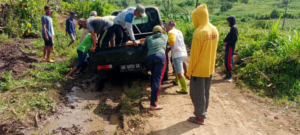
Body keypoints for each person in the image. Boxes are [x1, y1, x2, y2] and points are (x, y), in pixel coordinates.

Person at [186, 4, 219, 125]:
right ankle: (203, 111)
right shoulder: (214, 29)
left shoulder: (199, 32)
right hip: (209, 68)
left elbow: (194, 56)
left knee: (197, 93)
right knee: (205, 92)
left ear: (198, 17)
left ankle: (200, 117)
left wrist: (189, 72)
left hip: (199, 70)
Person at [134, 26, 168, 110]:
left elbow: (143, 46)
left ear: (153, 32)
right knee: (158, 79)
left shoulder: (148, 38)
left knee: (153, 76)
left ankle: (153, 94)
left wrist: (142, 43)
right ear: (162, 32)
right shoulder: (165, 36)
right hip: (160, 56)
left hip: (150, 57)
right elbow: (169, 42)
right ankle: (153, 104)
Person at [166, 20, 188, 94]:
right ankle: (176, 81)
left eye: (166, 26)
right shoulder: (178, 31)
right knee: (176, 68)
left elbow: (171, 42)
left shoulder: (170, 32)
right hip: (183, 52)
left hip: (177, 54)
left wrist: (165, 44)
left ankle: (184, 89)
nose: (165, 28)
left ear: (169, 26)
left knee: (179, 72)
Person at [223, 15, 238, 82]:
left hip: (230, 46)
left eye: (228, 21)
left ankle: (230, 76)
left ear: (231, 21)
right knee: (226, 60)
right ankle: (227, 75)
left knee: (228, 60)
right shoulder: (232, 27)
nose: (227, 23)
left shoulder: (234, 28)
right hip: (228, 46)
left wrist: (228, 43)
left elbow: (235, 39)